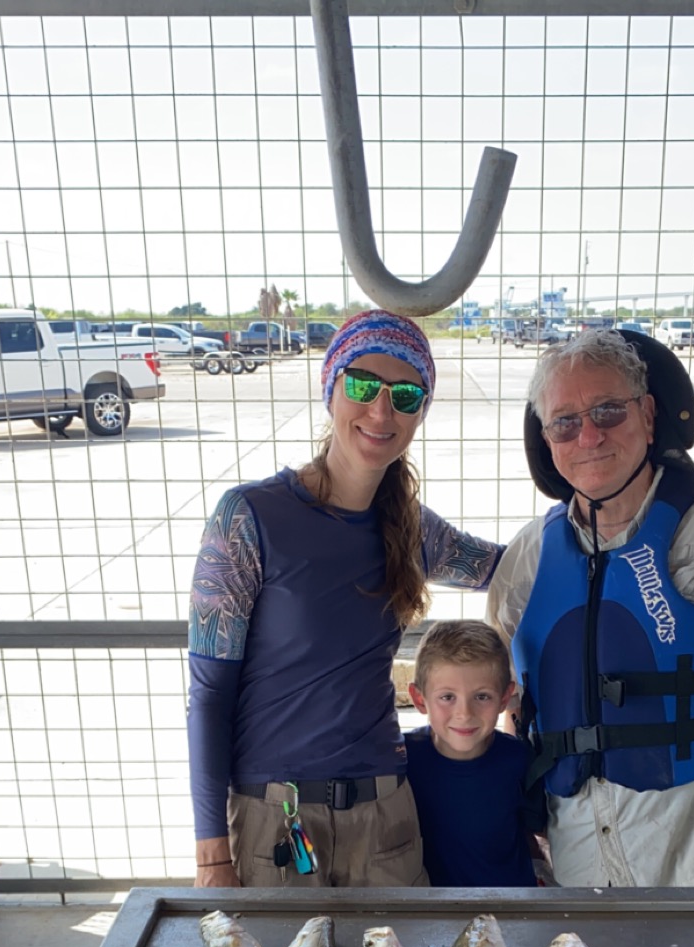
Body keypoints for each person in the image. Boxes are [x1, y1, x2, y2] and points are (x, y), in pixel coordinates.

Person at [486, 329, 694, 888]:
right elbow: (506, 698)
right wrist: (514, 823)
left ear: (649, 414)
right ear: (546, 440)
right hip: (575, 847)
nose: (588, 435)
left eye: (608, 411)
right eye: (565, 421)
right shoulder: (531, 554)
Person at [187, 311, 502, 889]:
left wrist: (593, 516)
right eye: (362, 386)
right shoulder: (249, 519)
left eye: (405, 396)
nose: (381, 411)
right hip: (274, 826)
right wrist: (212, 855)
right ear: (331, 389)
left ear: (420, 413)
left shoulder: (412, 530)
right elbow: (209, 697)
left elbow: (509, 567)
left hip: (385, 821)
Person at [405, 619, 548, 887]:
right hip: (428, 914)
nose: (464, 714)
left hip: (510, 910)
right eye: (447, 697)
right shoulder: (402, 760)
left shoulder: (521, 760)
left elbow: (536, 834)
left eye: (482, 697)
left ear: (505, 699)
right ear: (419, 699)